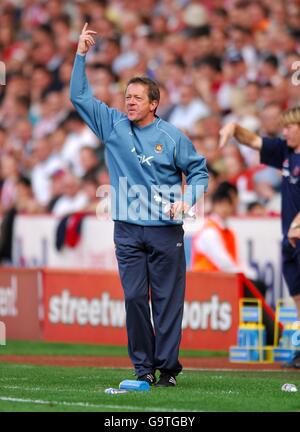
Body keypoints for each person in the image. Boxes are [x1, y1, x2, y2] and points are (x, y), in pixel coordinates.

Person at [70, 23, 209, 387]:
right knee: (133, 297)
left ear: (153, 103)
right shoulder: (112, 126)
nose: (128, 101)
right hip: (127, 228)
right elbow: (80, 98)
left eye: (136, 97)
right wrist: (80, 55)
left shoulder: (172, 136)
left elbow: (199, 173)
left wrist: (186, 203)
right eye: (126, 96)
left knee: (167, 302)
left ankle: (168, 371)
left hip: (165, 230)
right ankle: (142, 368)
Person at [219, 107, 300, 368]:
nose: (284, 131)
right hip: (289, 238)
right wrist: (233, 128)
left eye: (290, 126)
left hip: (295, 232)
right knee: (297, 295)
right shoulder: (287, 152)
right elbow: (253, 141)